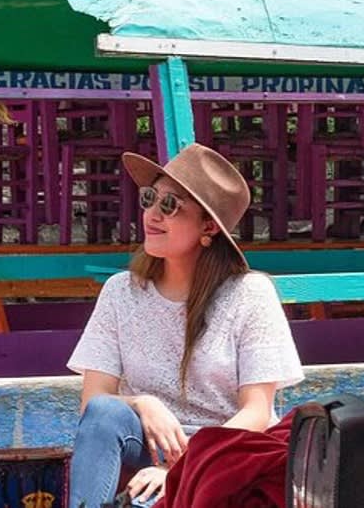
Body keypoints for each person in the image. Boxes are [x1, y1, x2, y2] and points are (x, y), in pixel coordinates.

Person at [66, 143, 304, 508]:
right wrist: (143, 403)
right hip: (146, 448)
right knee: (105, 412)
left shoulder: (250, 294)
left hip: (223, 458)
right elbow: (92, 401)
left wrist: (182, 468)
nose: (152, 214)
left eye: (170, 205)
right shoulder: (120, 292)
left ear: (208, 226)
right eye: (150, 198)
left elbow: (256, 412)